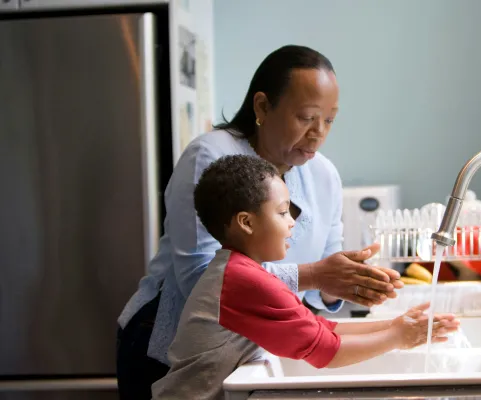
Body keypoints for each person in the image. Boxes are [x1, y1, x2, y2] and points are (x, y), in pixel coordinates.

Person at [116, 44, 404, 399]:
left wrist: (349, 280)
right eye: (306, 117)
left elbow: (319, 289)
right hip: (168, 350)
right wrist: (314, 274)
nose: (319, 133)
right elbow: (203, 281)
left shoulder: (324, 175)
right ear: (263, 106)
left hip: (246, 353)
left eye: (329, 120)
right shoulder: (211, 155)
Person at [151, 155, 459, 400]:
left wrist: (394, 325)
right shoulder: (242, 280)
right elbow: (328, 351)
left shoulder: (240, 270)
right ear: (246, 222)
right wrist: (399, 337)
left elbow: (322, 327)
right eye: (283, 212)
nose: (292, 223)